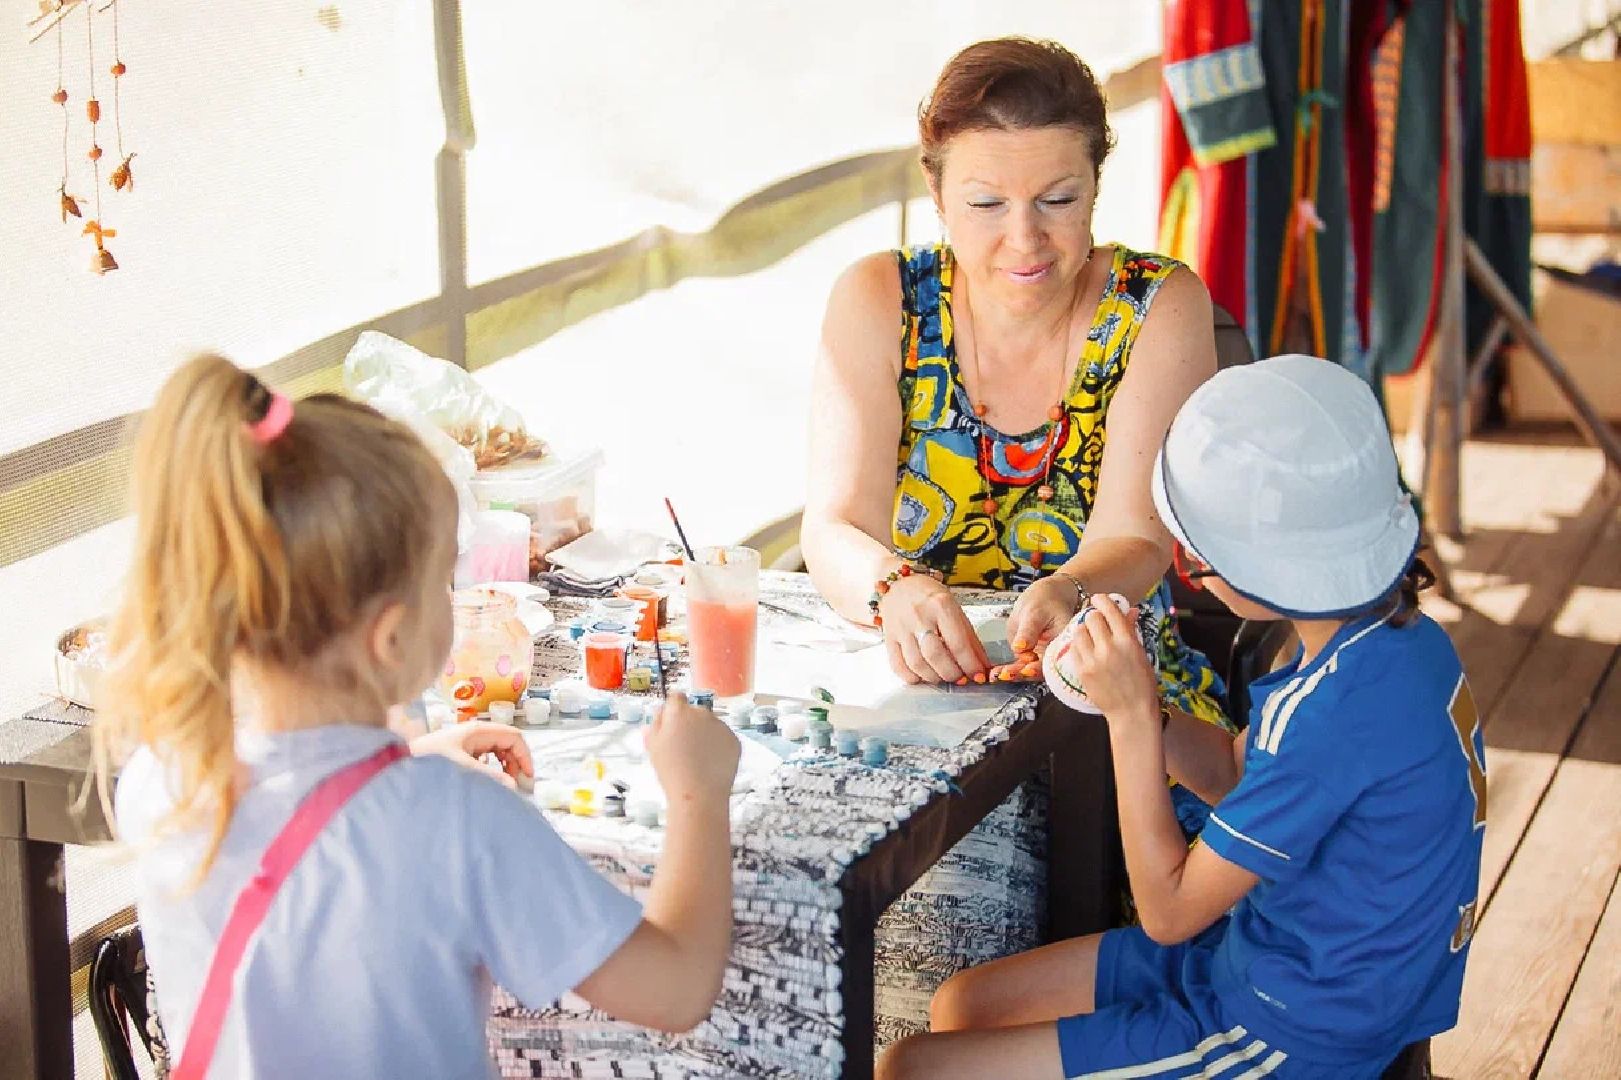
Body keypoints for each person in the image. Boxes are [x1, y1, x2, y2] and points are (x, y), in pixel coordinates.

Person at [95, 354, 740, 1079]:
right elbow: (675, 988)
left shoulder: (163, 776)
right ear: (391, 636)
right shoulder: (456, 819)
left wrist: (408, 762)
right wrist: (698, 791)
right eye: (444, 578)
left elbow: (304, 824)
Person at [877, 355, 1486, 1079]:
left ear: (1262, 572)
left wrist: (1132, 719)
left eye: (1193, 557)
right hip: (1272, 953)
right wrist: (1119, 694)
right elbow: (1236, 777)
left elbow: (1167, 913)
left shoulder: (1323, 711)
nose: (1185, 563)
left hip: (1291, 1028)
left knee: (910, 1067)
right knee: (965, 1005)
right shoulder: (1391, 641)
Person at [802, 38, 1230, 824]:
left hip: (1108, 686)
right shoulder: (877, 299)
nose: (1024, 239)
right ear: (935, 194)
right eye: (986, 205)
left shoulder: (1157, 305)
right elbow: (834, 524)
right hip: (918, 688)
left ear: (1097, 184)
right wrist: (894, 589)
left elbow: (1136, 540)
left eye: (1058, 200)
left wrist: (1068, 589)